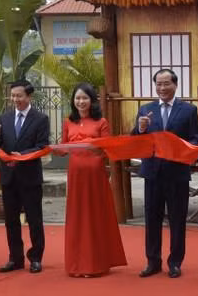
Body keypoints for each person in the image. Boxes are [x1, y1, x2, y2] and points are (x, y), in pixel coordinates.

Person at [133, 68, 198, 279]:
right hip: (152, 172)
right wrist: (141, 129)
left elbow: (196, 139)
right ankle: (152, 261)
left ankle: (175, 262)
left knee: (177, 219)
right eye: (158, 84)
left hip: (177, 172)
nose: (162, 88)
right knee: (151, 218)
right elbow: (135, 139)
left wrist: (184, 149)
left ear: (175, 85)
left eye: (166, 84)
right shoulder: (146, 109)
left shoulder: (188, 110)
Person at [60, 83, 127, 277]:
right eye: (77, 98)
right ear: (73, 101)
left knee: (94, 216)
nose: (81, 102)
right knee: (77, 216)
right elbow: (64, 148)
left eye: (85, 98)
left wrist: (93, 146)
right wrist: (55, 148)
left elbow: (107, 148)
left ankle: (95, 264)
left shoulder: (101, 122)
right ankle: (76, 264)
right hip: (75, 174)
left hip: (95, 174)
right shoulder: (68, 122)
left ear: (92, 100)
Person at [0, 79, 50, 274]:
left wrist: (22, 156)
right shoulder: (3, 118)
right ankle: (15, 258)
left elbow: (42, 146)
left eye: (19, 96)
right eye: (13, 96)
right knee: (11, 221)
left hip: (30, 176)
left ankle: (36, 258)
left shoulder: (40, 119)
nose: (15, 99)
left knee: (34, 219)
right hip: (8, 177)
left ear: (28, 96)